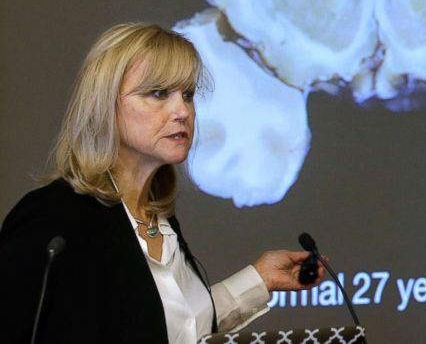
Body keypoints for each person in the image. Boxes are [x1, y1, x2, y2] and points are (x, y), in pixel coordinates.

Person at [0, 23, 323, 343]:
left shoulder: (158, 220)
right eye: (158, 93)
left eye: (188, 94)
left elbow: (174, 330)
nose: (182, 111)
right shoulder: (53, 218)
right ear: (105, 105)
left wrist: (259, 280)